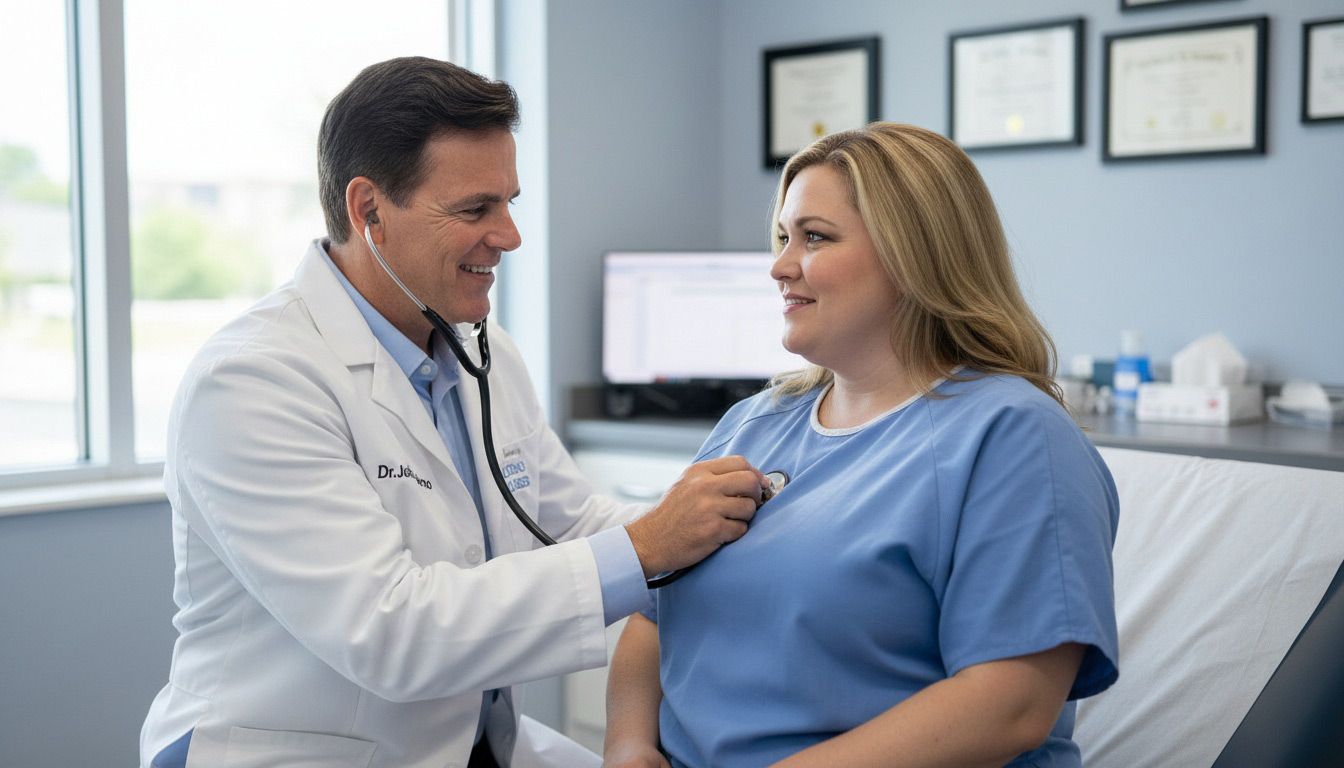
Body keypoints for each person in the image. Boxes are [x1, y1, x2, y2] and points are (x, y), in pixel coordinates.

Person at [139, 57, 767, 768]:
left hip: (471, 743)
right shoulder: (253, 380)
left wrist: (730, 531)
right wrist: (651, 545)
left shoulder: (480, 351)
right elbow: (390, 632)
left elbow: (567, 522)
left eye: (509, 202)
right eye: (475, 210)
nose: (510, 236)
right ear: (369, 210)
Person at [603, 123, 1120, 768]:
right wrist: (627, 746)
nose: (779, 266)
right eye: (783, 237)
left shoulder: (1013, 436)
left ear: (915, 255)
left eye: (815, 237)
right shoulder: (753, 424)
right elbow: (653, 618)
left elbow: (1011, 704)